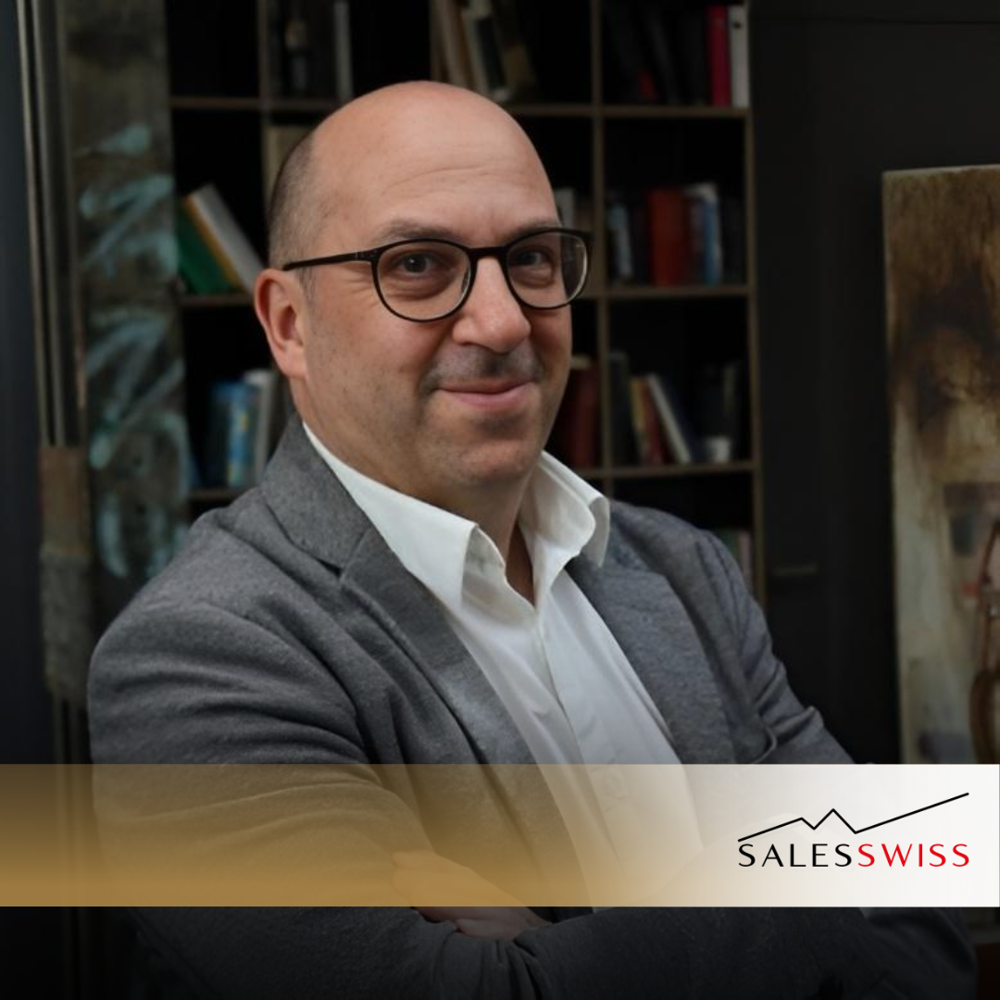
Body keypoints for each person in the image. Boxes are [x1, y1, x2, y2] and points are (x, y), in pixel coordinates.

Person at [88, 82, 974, 998]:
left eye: (532, 258)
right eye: (418, 264)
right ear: (289, 324)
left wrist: (564, 946)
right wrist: (793, 901)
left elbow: (926, 935)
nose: (505, 320)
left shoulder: (684, 568)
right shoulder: (198, 658)